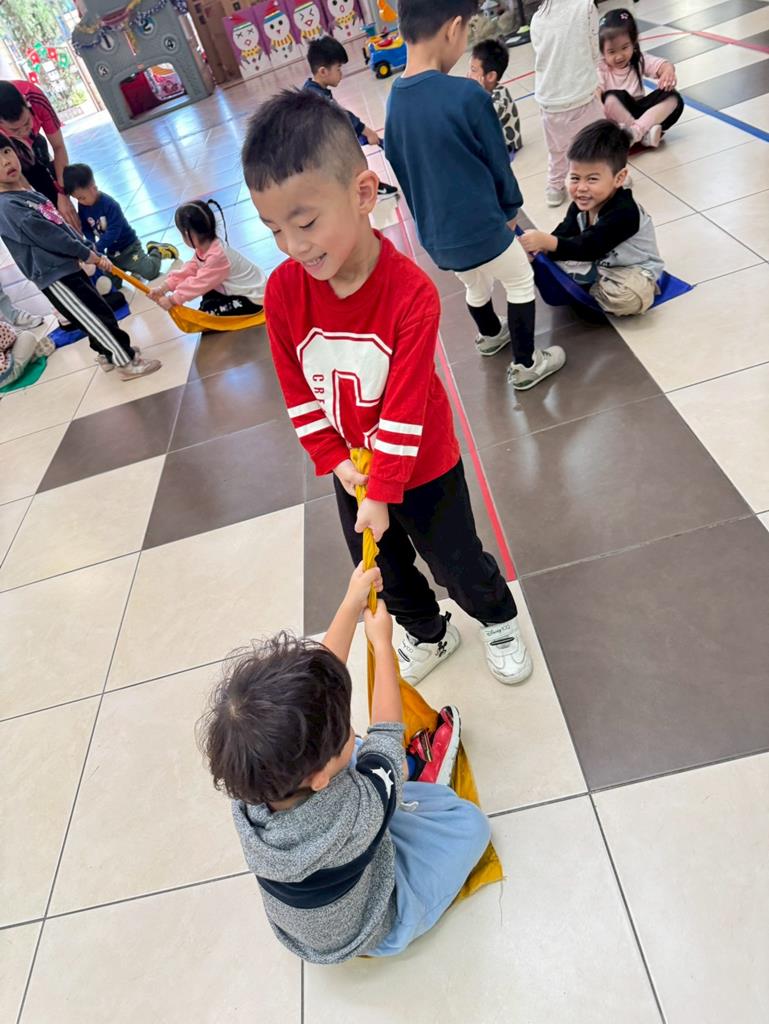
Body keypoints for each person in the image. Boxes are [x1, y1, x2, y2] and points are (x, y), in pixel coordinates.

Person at [243, 88, 534, 686]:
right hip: (352, 469)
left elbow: (405, 409)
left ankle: (497, 618)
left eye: (306, 223)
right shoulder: (283, 292)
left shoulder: (411, 294)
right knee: (384, 568)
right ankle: (428, 632)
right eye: (274, 229)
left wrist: (383, 489)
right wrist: (335, 461)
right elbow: (296, 389)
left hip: (422, 466)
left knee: (455, 559)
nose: (294, 246)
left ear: (362, 193)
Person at [199, 562, 491, 963]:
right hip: (374, 925)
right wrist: (382, 645)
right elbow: (386, 732)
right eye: (343, 732)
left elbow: (315, 686)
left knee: (357, 755)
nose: (349, 729)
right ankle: (399, 781)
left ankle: (384, 777)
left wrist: (352, 603)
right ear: (319, 778)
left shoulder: (251, 780)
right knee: (471, 825)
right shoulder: (354, 812)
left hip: (309, 921)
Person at [386, 0, 564, 389]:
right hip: (484, 229)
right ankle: (526, 363)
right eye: (467, 30)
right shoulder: (467, 94)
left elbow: (403, 172)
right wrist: (510, 212)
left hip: (440, 240)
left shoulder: (394, 102)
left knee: (475, 284)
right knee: (519, 279)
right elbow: (499, 164)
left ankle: (490, 334)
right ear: (453, 29)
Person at [0, 134, 160, 380]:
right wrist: (86, 254)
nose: (5, 161)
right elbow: (50, 237)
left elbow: (61, 226)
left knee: (98, 310)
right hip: (54, 276)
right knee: (94, 318)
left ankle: (107, 354)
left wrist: (87, 247)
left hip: (68, 266)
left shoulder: (27, 194)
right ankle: (125, 360)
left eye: (6, 152)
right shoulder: (7, 207)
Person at [519, 120, 664, 316]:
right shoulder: (581, 204)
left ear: (619, 178)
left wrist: (547, 242)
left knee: (626, 299)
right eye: (575, 178)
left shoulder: (624, 211)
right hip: (597, 262)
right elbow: (565, 232)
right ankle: (585, 281)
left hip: (630, 269)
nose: (581, 188)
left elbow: (589, 247)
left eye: (592, 179)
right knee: (548, 260)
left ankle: (588, 288)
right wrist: (541, 248)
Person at [302, 35, 399, 199]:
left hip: (322, 148)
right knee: (351, 158)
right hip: (317, 154)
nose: (341, 74)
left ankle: (365, 187)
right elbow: (342, 115)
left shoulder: (312, 89)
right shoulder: (316, 97)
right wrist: (366, 131)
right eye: (338, 69)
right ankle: (367, 190)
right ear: (323, 71)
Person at [530, 0, 604, 207]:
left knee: (557, 150)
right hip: (581, 95)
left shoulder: (537, 19)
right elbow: (594, 52)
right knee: (600, 142)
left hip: (548, 101)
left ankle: (555, 186)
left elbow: (542, 56)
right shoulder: (586, 7)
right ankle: (613, 176)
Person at [62, 163, 179, 286]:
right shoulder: (83, 206)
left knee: (150, 272)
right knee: (112, 284)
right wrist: (91, 245)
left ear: (93, 188)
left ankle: (156, 250)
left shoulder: (110, 205)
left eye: (82, 198)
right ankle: (133, 268)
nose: (80, 202)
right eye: (77, 199)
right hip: (112, 254)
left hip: (129, 249)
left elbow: (114, 231)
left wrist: (97, 247)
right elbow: (86, 228)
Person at [148, 199, 266, 316]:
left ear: (189, 234)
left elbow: (199, 282)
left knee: (206, 315)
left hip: (255, 298)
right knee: (208, 297)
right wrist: (164, 287)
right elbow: (191, 269)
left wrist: (172, 300)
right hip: (239, 290)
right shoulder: (206, 248)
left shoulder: (217, 256)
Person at [598, 8, 683, 148]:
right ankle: (644, 134)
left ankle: (635, 133)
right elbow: (597, 92)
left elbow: (662, 65)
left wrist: (668, 71)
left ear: (633, 43)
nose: (619, 56)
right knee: (610, 99)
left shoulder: (638, 59)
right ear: (602, 51)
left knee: (674, 97)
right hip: (618, 118)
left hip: (640, 111)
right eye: (612, 52)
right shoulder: (601, 68)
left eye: (625, 48)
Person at [0, 80, 80, 230]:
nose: (24, 132)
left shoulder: (35, 97)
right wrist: (39, 206)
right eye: (15, 130)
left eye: (26, 122)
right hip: (10, 161)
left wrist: (62, 194)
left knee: (64, 211)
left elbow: (58, 147)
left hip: (36, 147)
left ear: (26, 103)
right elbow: (15, 179)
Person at [468, 38, 522, 153]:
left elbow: (480, 120)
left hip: (506, 147)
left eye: (473, 70)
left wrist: (478, 94)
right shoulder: (486, 91)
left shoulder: (500, 97)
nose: (468, 74)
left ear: (491, 76)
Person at [0, 320, 54, 388]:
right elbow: (11, 337)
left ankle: (29, 353)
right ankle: (32, 355)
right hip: (6, 374)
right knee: (27, 336)